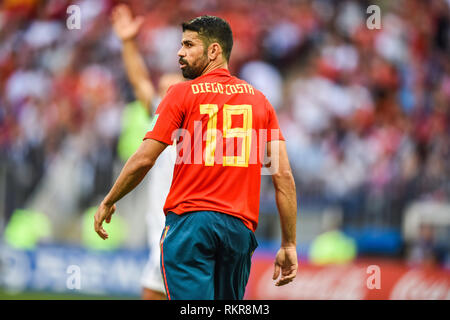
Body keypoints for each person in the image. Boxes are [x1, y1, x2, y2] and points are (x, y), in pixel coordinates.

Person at [94, 15, 298, 300]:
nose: (180, 52)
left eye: (189, 45)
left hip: (190, 225)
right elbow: (283, 175)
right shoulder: (260, 102)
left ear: (214, 50)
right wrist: (289, 243)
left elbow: (143, 159)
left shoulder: (181, 95)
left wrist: (109, 199)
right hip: (238, 231)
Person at [111, 4, 183, 300]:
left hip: (179, 232)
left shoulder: (192, 124)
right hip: (162, 231)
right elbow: (140, 81)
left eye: (171, 87)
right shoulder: (162, 114)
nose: (162, 89)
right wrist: (128, 42)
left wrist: (110, 199)